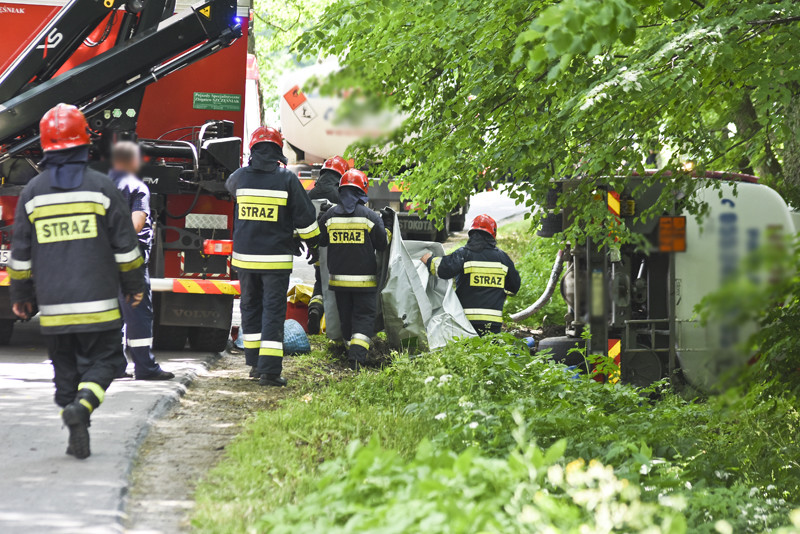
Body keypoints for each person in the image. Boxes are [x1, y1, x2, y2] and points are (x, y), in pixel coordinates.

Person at [8, 104, 146, 459]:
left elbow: (20, 255)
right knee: (108, 361)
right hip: (99, 306)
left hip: (54, 310)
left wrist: (21, 295)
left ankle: (75, 426)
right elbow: (126, 248)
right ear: (85, 142)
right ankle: (83, 407)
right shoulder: (101, 188)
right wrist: (133, 287)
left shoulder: (33, 193)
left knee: (64, 373)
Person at [226, 126, 320, 387]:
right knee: (272, 313)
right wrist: (312, 244)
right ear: (278, 151)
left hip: (244, 260)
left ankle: (255, 365)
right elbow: (306, 217)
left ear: (253, 150)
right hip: (275, 261)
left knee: (251, 309)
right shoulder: (287, 179)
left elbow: (229, 187)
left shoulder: (238, 178)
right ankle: (269, 372)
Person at [108, 141, 174, 381]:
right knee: (138, 314)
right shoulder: (137, 187)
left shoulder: (102, 186)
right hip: (130, 260)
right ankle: (145, 367)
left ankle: (115, 366)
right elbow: (136, 224)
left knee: (114, 313)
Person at [318, 169, 388, 370]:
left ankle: (350, 350)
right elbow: (382, 244)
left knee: (346, 317)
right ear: (362, 191)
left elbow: (320, 240)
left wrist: (322, 216)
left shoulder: (330, 216)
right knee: (364, 317)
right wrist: (388, 227)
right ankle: (357, 358)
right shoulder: (370, 217)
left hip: (338, 282)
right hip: (364, 282)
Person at [421, 214, 520, 335]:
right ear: (492, 235)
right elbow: (514, 287)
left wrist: (429, 260)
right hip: (493, 322)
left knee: (468, 351)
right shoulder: (503, 258)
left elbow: (443, 269)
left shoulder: (464, 254)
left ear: (471, 234)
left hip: (465, 321)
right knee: (490, 351)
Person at [306, 155, 350, 334]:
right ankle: (337, 323)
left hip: (315, 246)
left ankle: (315, 307)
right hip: (337, 246)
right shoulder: (340, 195)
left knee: (319, 278)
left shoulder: (311, 194)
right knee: (336, 283)